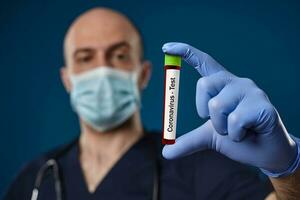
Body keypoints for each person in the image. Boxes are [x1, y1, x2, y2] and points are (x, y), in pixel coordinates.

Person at [3, 7, 300, 200]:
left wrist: (286, 169)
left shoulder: (197, 166)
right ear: (67, 79)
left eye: (119, 55)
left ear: (143, 74)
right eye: (85, 58)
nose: (102, 71)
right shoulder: (36, 176)